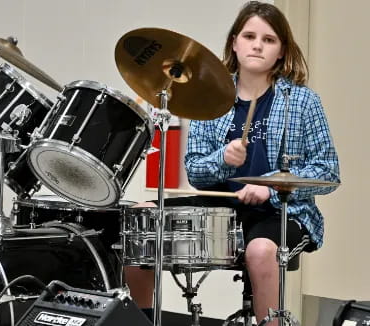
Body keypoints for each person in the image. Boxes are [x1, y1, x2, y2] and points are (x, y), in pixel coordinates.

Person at [125, 1, 340, 325]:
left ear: (281, 51)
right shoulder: (205, 97)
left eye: (269, 40)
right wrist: (223, 159)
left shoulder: (302, 101)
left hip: (282, 211)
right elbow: (196, 171)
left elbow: (328, 170)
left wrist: (271, 188)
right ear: (235, 43)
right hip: (221, 210)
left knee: (261, 251)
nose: (257, 45)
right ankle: (138, 321)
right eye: (250, 36)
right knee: (141, 224)